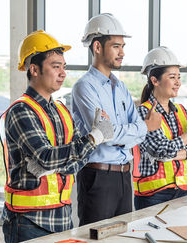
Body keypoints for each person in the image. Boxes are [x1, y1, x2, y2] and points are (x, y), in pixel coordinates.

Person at [0, 30, 113, 243]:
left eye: (64, 66)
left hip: (61, 217)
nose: (63, 73)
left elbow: (75, 162)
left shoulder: (61, 110)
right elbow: (48, 158)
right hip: (28, 221)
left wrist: (56, 163)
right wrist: (92, 139)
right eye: (55, 66)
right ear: (34, 69)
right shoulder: (22, 111)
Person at [72, 13, 161, 226]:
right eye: (116, 46)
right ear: (97, 47)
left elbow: (132, 133)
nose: (122, 52)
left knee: (121, 240)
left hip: (124, 176)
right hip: (98, 177)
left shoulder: (120, 88)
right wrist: (142, 127)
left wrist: (135, 130)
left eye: (123, 46)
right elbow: (106, 134)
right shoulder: (85, 87)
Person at [132, 46, 187, 210]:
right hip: (153, 195)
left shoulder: (181, 111)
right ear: (155, 80)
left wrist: (174, 154)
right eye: (172, 77)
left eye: (179, 77)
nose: (178, 82)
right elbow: (162, 150)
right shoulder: (144, 112)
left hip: (181, 190)